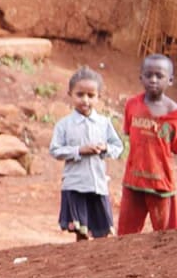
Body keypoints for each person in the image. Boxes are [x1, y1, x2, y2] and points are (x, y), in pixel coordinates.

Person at [49, 67, 123, 240]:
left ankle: (99, 264)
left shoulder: (104, 123)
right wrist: (78, 151)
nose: (85, 100)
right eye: (80, 94)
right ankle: (80, 262)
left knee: (102, 232)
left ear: (99, 97)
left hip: (97, 184)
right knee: (80, 231)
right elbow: (55, 150)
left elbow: (118, 146)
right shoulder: (64, 125)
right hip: (75, 184)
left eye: (91, 95)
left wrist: (105, 148)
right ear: (70, 94)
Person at [118, 54, 177, 234]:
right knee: (126, 235)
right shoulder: (132, 105)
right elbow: (130, 134)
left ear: (170, 80)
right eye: (148, 75)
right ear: (140, 77)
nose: (153, 80)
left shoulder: (174, 114)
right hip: (133, 181)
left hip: (161, 184)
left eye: (159, 76)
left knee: (165, 235)